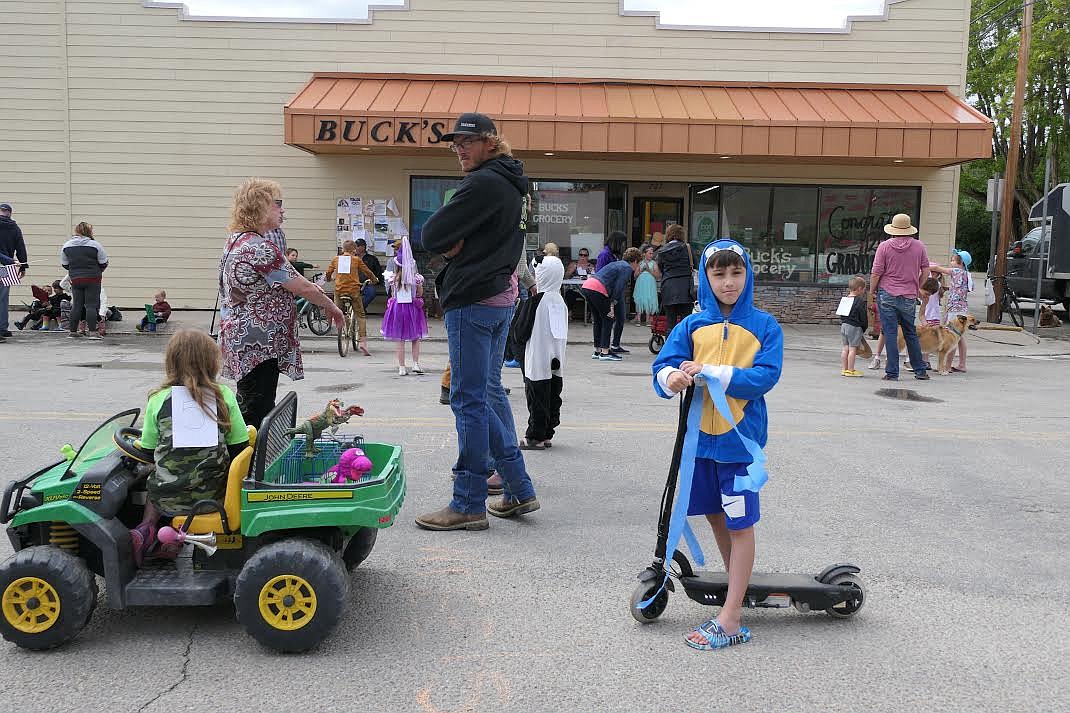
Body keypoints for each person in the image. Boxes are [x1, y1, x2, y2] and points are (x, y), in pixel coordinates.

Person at [652, 239, 784, 651]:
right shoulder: (690, 325)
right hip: (700, 446)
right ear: (705, 278)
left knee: (739, 524)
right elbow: (664, 364)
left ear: (748, 274)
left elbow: (765, 376)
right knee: (714, 515)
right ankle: (736, 591)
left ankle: (730, 618)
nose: (729, 282)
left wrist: (713, 372)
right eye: (719, 274)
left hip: (739, 446)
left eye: (736, 272)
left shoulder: (764, 326)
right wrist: (670, 378)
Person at [416, 111, 539, 531]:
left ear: (490, 141)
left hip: (473, 299)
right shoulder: (516, 184)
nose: (460, 150)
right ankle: (518, 485)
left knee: (467, 401)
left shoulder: (483, 183)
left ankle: (467, 502)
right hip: (501, 298)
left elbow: (430, 235)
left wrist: (452, 249)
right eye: (455, 144)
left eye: (467, 142)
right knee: (486, 392)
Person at [219, 178, 344, 429]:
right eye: (277, 204)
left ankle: (247, 461)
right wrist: (331, 306)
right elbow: (302, 286)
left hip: (243, 340)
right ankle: (249, 464)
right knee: (257, 410)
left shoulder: (237, 240)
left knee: (252, 405)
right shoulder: (259, 248)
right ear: (260, 207)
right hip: (258, 344)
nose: (282, 210)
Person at [127, 329, 251, 565]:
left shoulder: (159, 399)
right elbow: (240, 446)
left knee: (155, 478)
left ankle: (147, 529)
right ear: (211, 362)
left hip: (167, 500)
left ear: (171, 362)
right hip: (213, 497)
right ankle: (172, 542)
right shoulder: (223, 395)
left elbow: (147, 450)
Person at [513, 255, 567, 450]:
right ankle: (547, 433)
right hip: (557, 359)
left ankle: (535, 436)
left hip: (537, 359)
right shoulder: (560, 301)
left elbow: (519, 333)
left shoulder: (535, 302)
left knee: (536, 396)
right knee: (554, 395)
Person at [869, 213, 930, 381]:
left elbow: (876, 272)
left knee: (890, 333)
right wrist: (918, 285)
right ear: (909, 229)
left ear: (893, 230)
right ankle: (920, 370)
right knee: (910, 332)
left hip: (887, 293)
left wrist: (871, 290)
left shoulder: (884, 246)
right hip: (909, 295)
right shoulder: (919, 246)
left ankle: (892, 372)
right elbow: (926, 269)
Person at [581, 247, 643, 361]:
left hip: (587, 286)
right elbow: (619, 287)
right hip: (598, 289)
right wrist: (612, 304)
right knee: (609, 318)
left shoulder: (617, 264)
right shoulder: (627, 268)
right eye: (638, 264)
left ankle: (597, 350)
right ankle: (605, 352)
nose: (637, 267)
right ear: (635, 261)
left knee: (598, 319)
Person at [381, 236, 428, 376]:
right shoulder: (416, 278)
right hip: (412, 308)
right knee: (415, 337)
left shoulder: (392, 278)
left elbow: (392, 293)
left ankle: (402, 367)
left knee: (399, 339)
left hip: (397, 308)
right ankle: (416, 364)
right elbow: (419, 293)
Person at [325, 239, 379, 356]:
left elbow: (328, 273)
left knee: (338, 310)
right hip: (354, 291)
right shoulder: (356, 260)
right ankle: (363, 342)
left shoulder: (336, 259)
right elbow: (368, 272)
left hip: (339, 291)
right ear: (354, 250)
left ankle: (339, 321)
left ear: (343, 249)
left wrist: (329, 279)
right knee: (360, 314)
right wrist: (374, 280)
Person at [60, 222, 108, 340]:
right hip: (93, 278)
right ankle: (92, 332)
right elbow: (103, 262)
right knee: (91, 305)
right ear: (89, 231)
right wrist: (98, 270)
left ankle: (72, 332)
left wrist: (75, 270)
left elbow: (65, 264)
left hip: (76, 278)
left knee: (77, 305)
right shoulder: (95, 245)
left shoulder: (67, 245)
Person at [929, 250, 972, 373]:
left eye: (953, 260)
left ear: (960, 262)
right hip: (962, 308)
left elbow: (938, 268)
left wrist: (924, 266)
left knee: (951, 337)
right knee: (960, 338)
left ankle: (947, 366)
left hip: (954, 309)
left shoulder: (955, 271)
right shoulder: (966, 274)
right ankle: (962, 364)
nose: (951, 262)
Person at [656, 224, 695, 330]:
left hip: (668, 288)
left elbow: (660, 268)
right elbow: (695, 264)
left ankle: (670, 345)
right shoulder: (687, 248)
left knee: (670, 322)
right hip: (685, 289)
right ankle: (684, 345)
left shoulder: (662, 251)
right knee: (685, 322)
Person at [0, 202, 28, 339]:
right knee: (3, 298)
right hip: (6, 268)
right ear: (10, 213)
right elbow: (21, 248)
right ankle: (3, 328)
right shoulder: (15, 228)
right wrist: (23, 266)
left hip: (5, 263)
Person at [838, 276, 868, 377]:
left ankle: (844, 369)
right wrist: (864, 327)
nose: (864, 291)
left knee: (845, 347)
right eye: (864, 289)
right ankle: (851, 370)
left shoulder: (845, 299)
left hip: (844, 326)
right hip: (854, 326)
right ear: (859, 288)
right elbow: (863, 317)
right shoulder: (859, 301)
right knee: (853, 349)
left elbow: (841, 315)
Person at [633, 244, 661, 325]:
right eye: (650, 253)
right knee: (640, 299)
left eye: (652, 253)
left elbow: (658, 276)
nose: (651, 255)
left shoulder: (654, 263)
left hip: (650, 284)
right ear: (644, 254)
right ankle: (638, 319)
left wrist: (649, 270)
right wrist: (641, 270)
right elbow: (635, 275)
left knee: (649, 299)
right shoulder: (640, 263)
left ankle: (648, 319)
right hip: (641, 283)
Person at [353, 238, 383, 310]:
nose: (355, 248)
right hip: (353, 283)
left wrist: (374, 281)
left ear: (363, 247)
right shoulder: (351, 258)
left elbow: (378, 273)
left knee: (371, 292)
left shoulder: (372, 259)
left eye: (357, 246)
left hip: (366, 284)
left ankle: (359, 309)